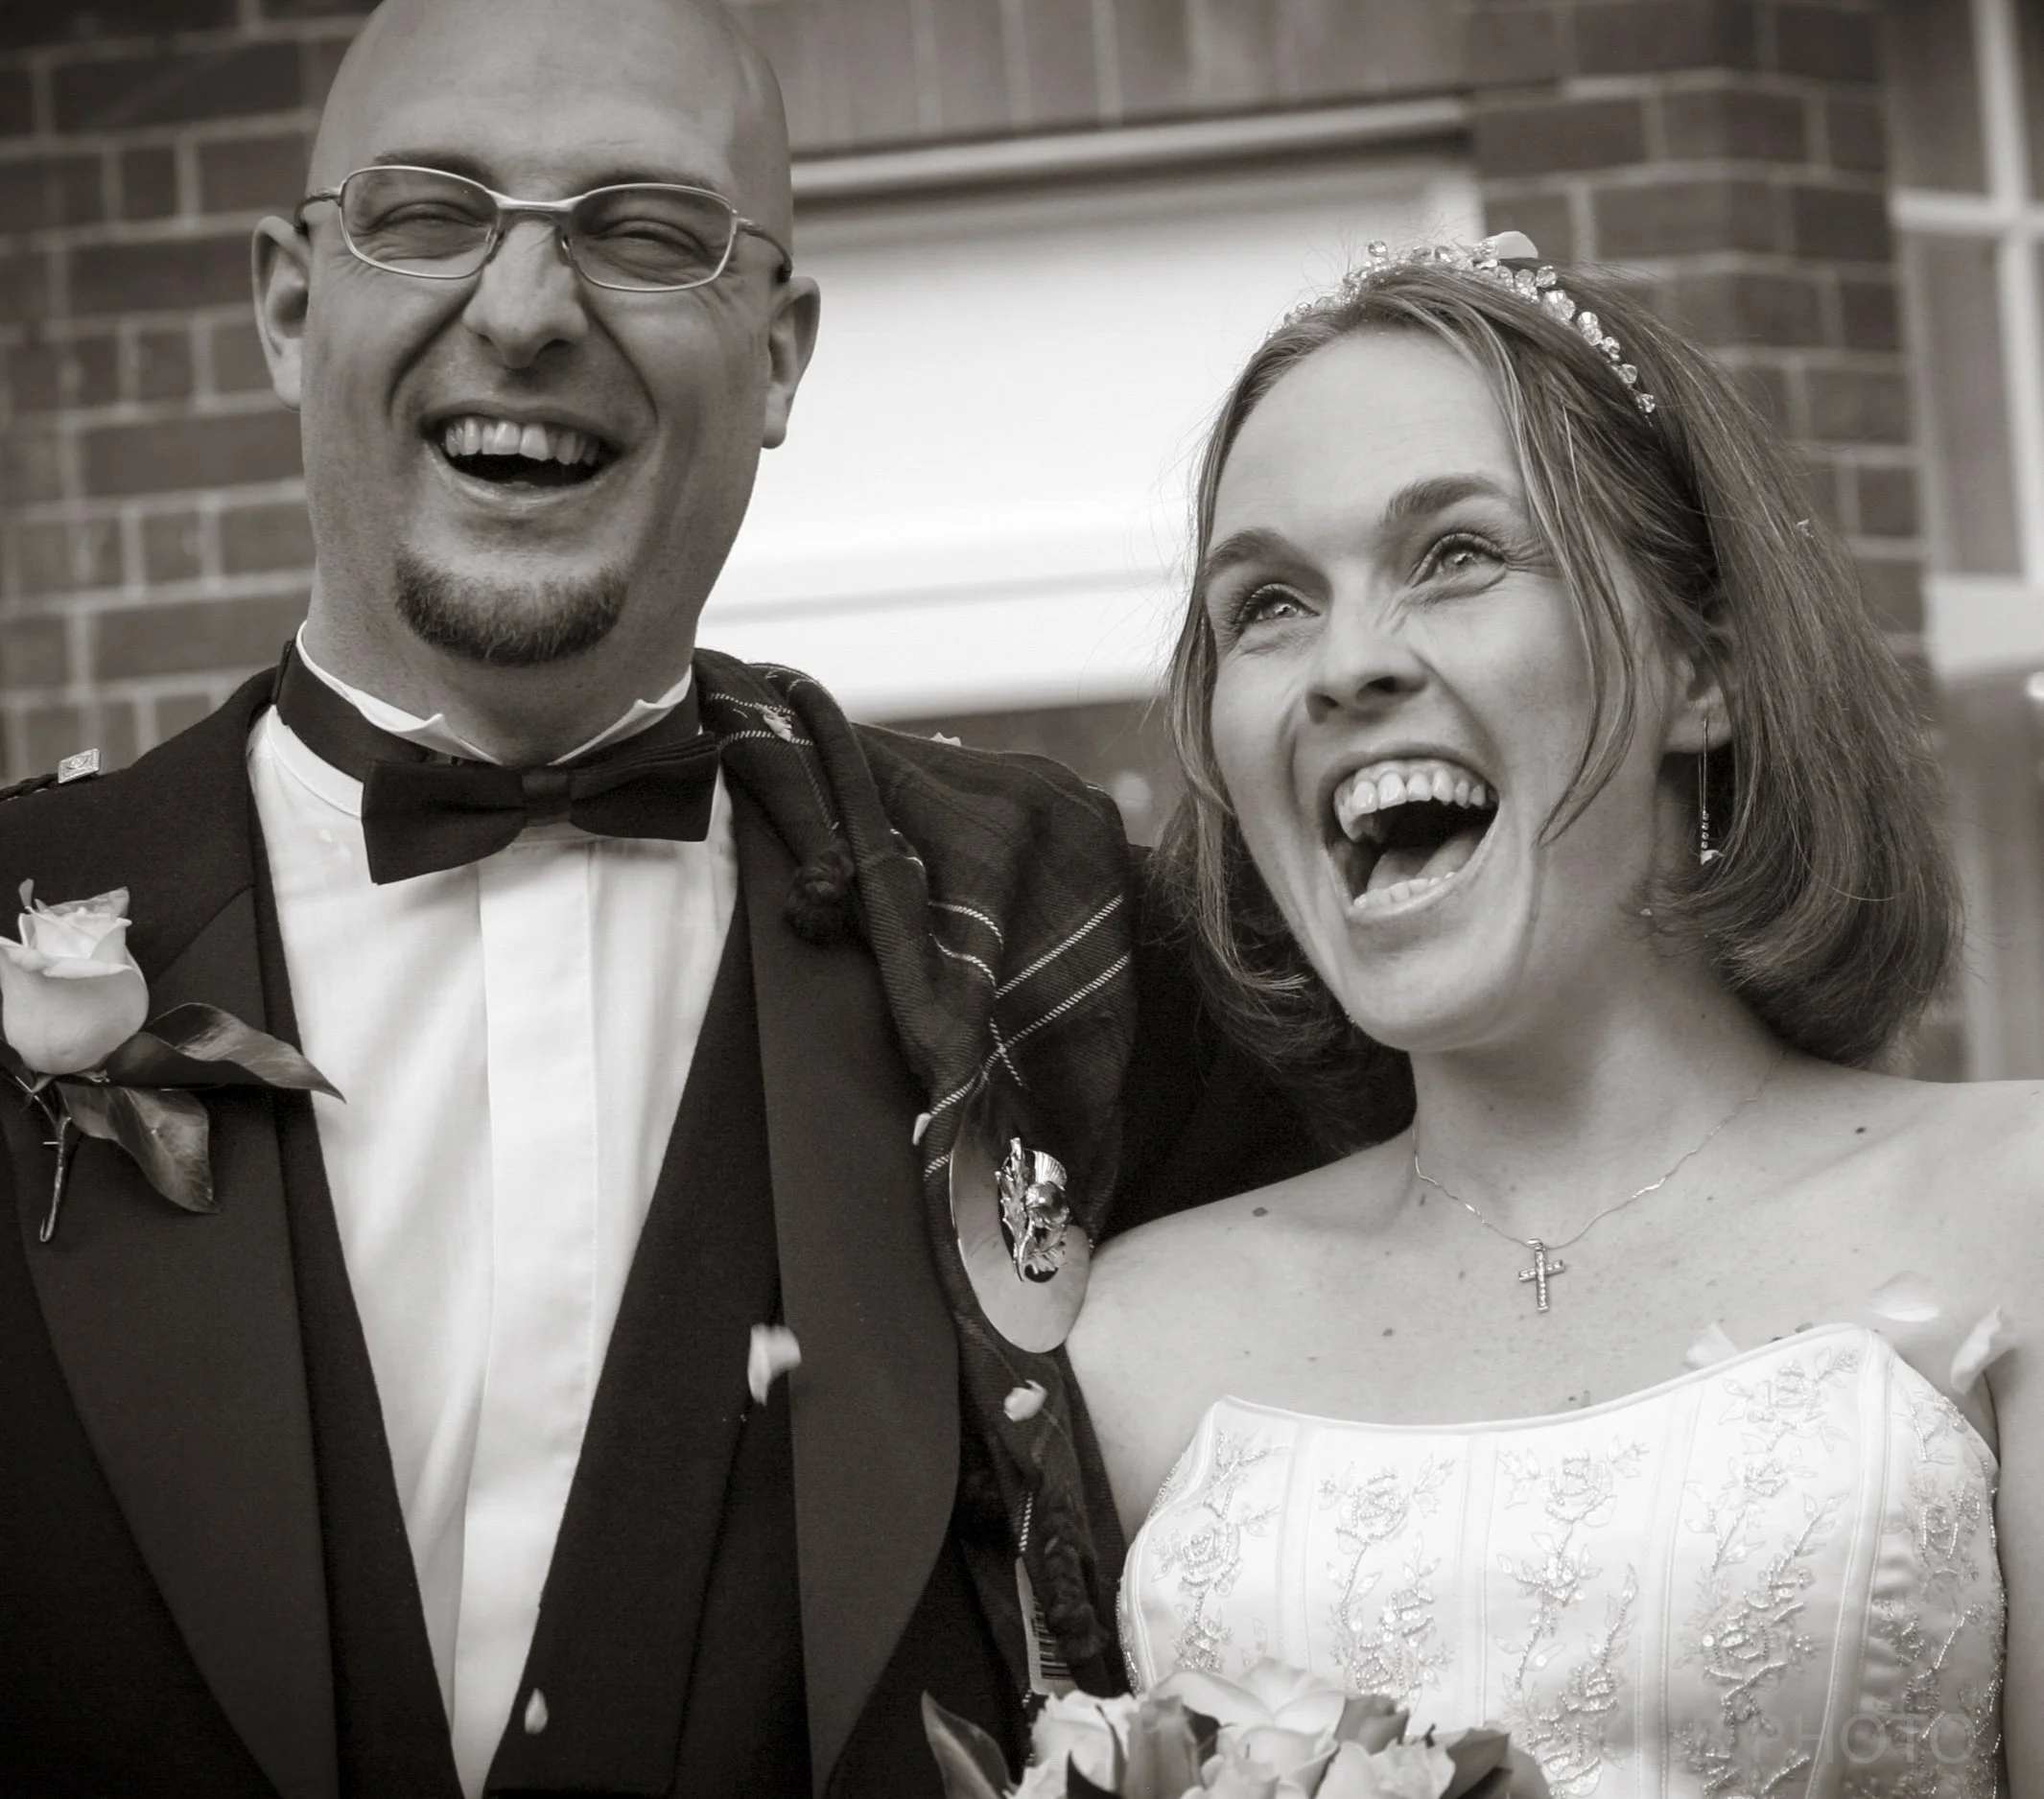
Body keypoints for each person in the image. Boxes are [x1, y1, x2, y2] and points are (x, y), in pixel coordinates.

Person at [0, 3, 1321, 1794]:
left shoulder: (1050, 929)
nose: (530, 312)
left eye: (645, 234)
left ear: (778, 356)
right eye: (431, 211)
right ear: (292, 302)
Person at [1070, 241, 2042, 1794]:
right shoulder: (1127, 1341)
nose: (1345, 666)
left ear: (1699, 666)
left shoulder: (2016, 1209)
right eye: (1265, 605)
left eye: (1454, 555)